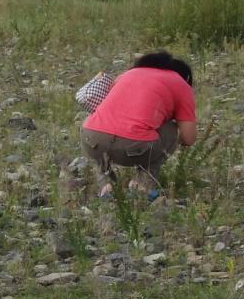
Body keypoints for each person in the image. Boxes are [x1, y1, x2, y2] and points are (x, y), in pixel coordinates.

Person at [81, 50, 197, 199]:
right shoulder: (180, 83)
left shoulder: (127, 74)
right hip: (134, 146)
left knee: (97, 124)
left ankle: (106, 186)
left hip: (91, 138)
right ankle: (142, 185)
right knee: (170, 129)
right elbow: (188, 138)